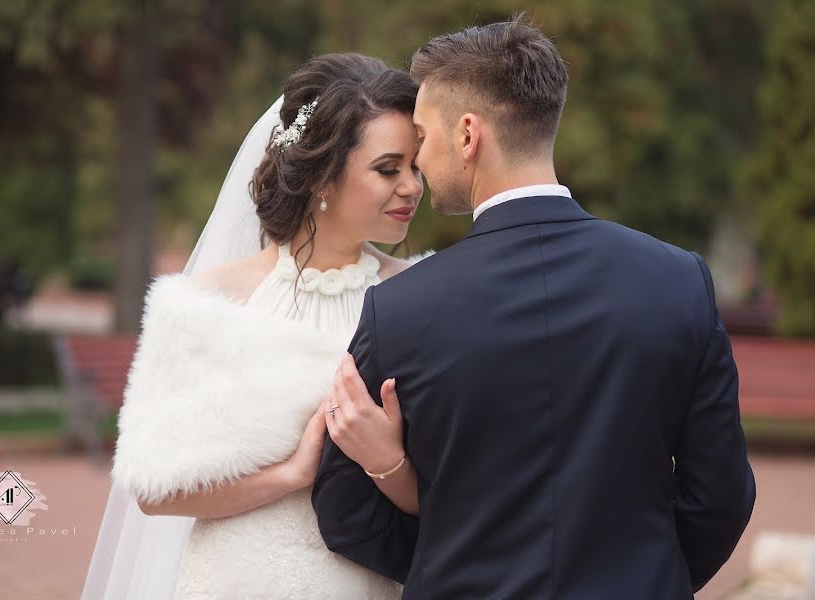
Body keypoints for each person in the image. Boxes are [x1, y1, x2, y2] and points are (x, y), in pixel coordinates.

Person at [312, 15, 756, 599]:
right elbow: (720, 496)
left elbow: (346, 512)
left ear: (468, 135)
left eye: (423, 135)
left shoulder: (398, 310)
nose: (416, 159)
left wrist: (450, 570)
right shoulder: (678, 282)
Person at [82, 53, 430, 599]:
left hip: (366, 580)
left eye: (416, 166)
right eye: (389, 169)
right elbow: (154, 491)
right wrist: (292, 474)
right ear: (321, 176)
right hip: (235, 578)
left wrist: (387, 461)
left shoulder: (421, 295)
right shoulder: (209, 301)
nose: (412, 186)